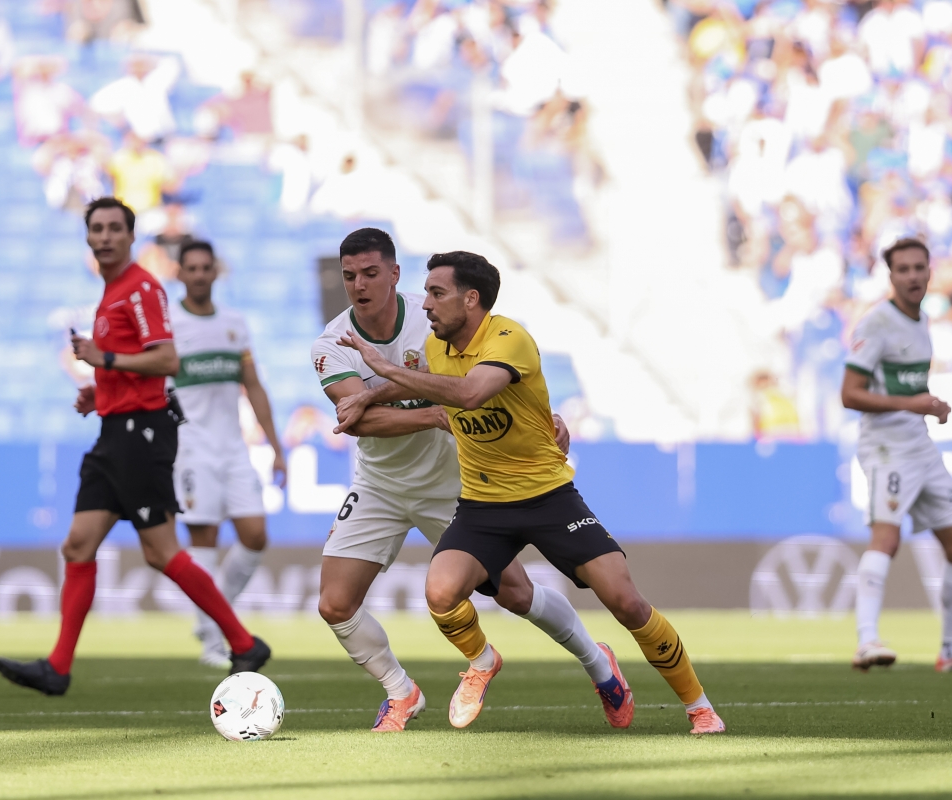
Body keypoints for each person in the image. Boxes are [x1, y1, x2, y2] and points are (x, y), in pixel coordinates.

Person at [336, 249, 725, 735]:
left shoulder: (509, 338)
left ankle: (699, 707)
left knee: (626, 602)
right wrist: (368, 395)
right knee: (440, 592)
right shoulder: (439, 347)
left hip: (548, 499)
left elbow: (470, 393)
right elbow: (434, 385)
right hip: (482, 504)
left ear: (470, 299)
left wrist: (385, 370)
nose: (427, 305)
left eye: (437, 293)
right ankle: (481, 664)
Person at [316, 229, 627, 733]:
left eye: (371, 273)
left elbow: (490, 376)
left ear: (395, 274)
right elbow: (358, 420)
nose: (359, 285)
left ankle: (599, 663)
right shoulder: (331, 343)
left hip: (455, 482)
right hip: (380, 483)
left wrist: (541, 414)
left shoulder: (435, 314)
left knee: (516, 595)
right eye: (350, 276)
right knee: (334, 603)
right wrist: (436, 414)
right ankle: (403, 692)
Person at [0, 197, 270, 696]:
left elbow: (165, 360)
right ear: (87, 238)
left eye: (114, 228)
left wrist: (105, 358)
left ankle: (242, 641)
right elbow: (132, 368)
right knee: (78, 544)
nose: (104, 236)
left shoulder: (140, 288)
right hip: (114, 430)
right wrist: (99, 391)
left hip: (141, 434)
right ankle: (58, 668)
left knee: (162, 552)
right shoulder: (111, 292)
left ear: (130, 236)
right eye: (96, 228)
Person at [841, 237, 952, 674]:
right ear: (891, 276)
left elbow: (905, 389)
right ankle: (866, 641)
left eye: (918, 268)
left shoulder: (921, 320)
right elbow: (850, 394)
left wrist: (930, 403)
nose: (912, 275)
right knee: (886, 539)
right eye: (903, 269)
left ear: (930, 272)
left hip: (920, 445)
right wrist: (913, 404)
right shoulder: (876, 323)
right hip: (886, 448)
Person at [171, 239, 286, 667]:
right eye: (192, 268)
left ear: (216, 272)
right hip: (191, 449)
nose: (200, 274)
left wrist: (276, 446)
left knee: (255, 536)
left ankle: (214, 616)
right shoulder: (170, 324)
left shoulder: (235, 324)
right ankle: (211, 642)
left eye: (206, 268)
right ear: (180, 273)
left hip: (234, 448)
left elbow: (253, 386)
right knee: (205, 540)